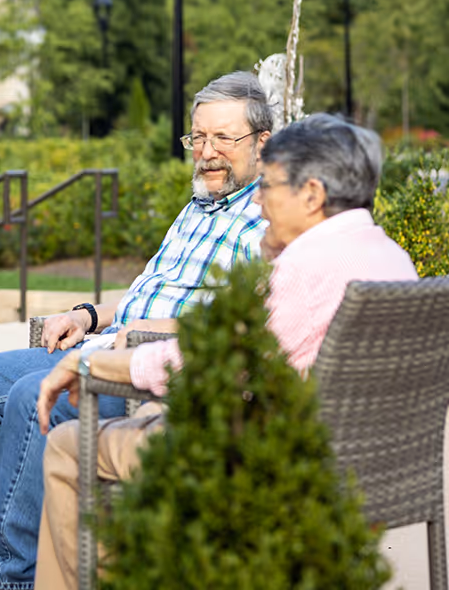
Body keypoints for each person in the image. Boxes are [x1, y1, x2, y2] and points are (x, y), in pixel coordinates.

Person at [0, 72, 273, 590]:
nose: (206, 152)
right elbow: (144, 293)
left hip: (153, 368)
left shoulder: (268, 220)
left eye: (223, 138)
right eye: (197, 137)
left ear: (262, 142)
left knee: (30, 397)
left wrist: (156, 329)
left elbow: (247, 319)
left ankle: (9, 575)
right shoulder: (196, 209)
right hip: (102, 345)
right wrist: (86, 315)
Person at [33, 113, 418, 590]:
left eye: (270, 185)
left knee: (70, 447)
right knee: (155, 415)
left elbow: (216, 364)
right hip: (383, 468)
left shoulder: (309, 266)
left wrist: (88, 361)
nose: (257, 199)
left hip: (276, 467)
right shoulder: (390, 257)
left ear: (313, 195)